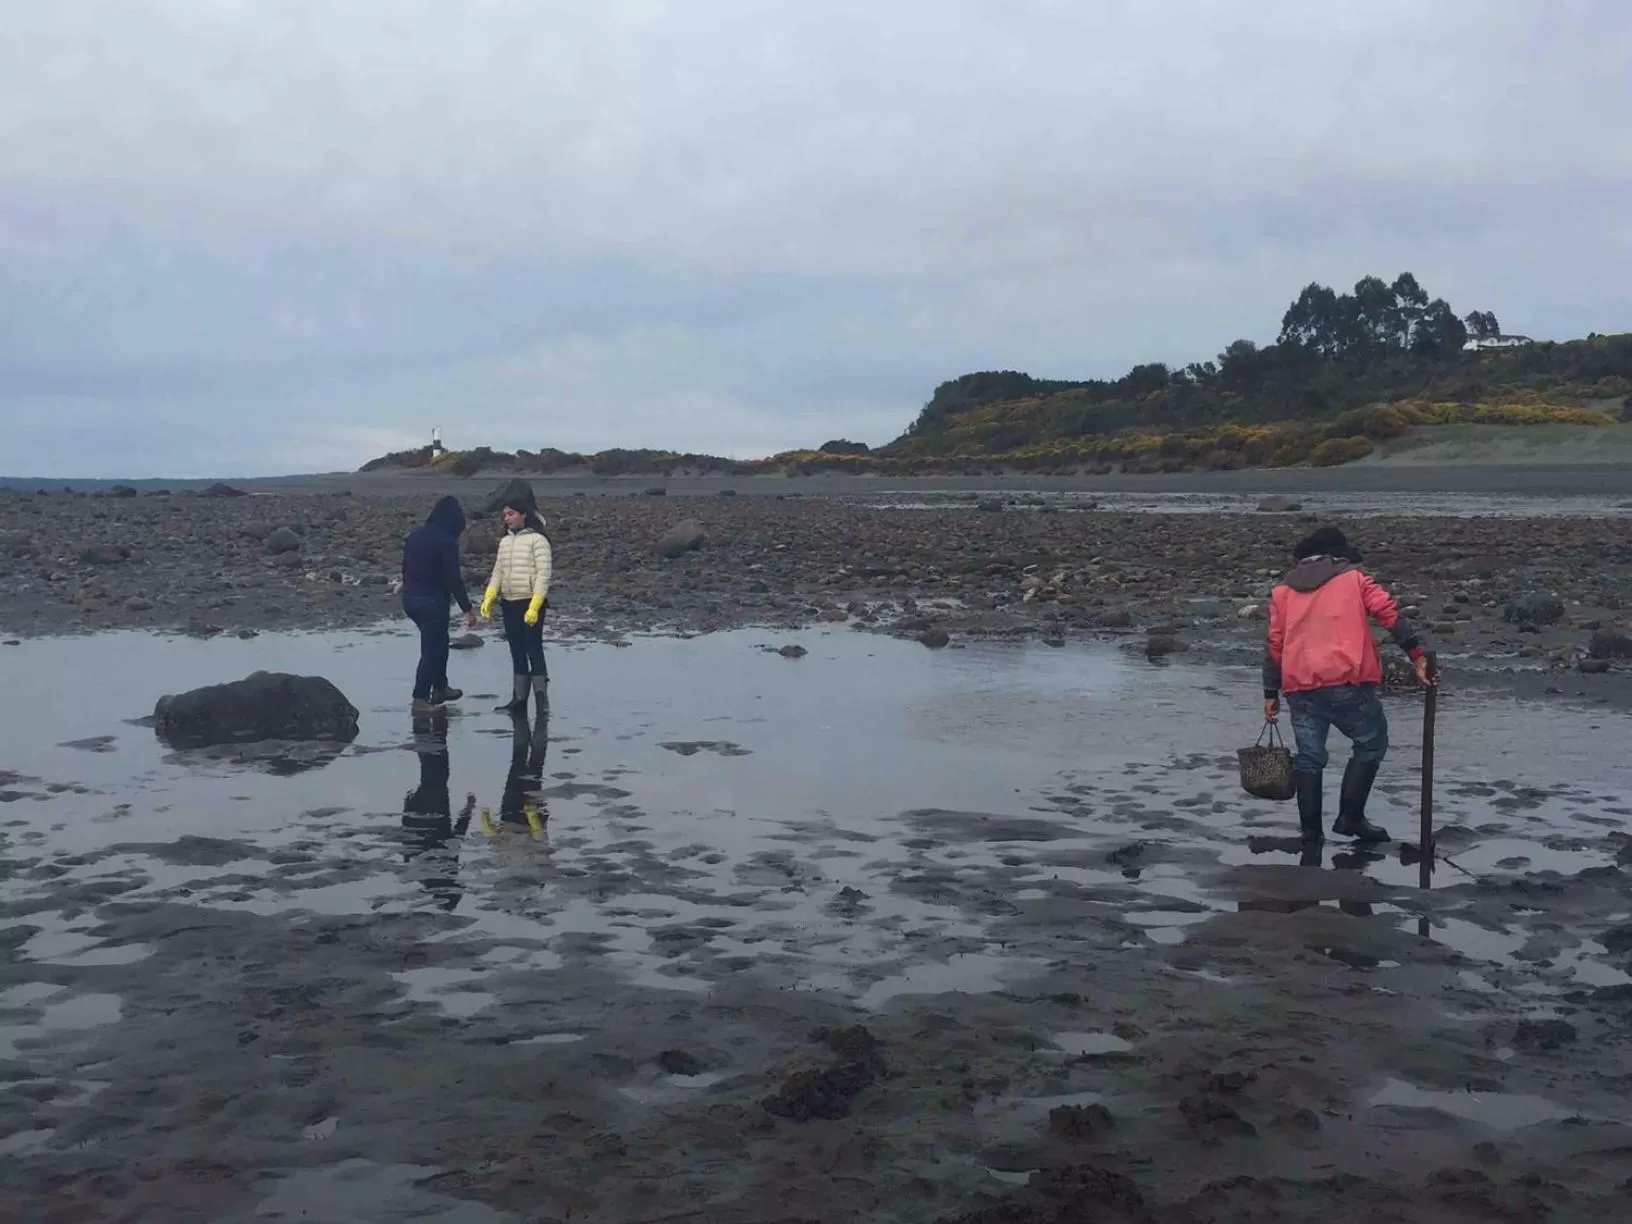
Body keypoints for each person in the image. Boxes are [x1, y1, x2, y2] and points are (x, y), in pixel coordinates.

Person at [1262, 526, 1434, 846]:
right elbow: (1389, 614)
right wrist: (1416, 655)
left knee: (1309, 757)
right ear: (1338, 557)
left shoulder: (1283, 592)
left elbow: (1275, 645)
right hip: (1344, 679)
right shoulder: (1355, 580)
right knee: (1371, 743)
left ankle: (1311, 834)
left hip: (1299, 685)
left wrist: (1270, 694)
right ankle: (1350, 816)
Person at [400, 496, 478, 715]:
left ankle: (441, 688)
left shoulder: (415, 536)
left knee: (440, 642)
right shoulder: (446, 541)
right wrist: (467, 609)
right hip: (432, 602)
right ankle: (420, 698)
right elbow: (453, 578)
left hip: (411, 600)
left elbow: (405, 568)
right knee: (432, 649)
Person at [480, 497, 552, 713]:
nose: (507, 518)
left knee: (534, 650)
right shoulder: (505, 542)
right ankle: (519, 700)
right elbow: (498, 572)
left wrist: (535, 605)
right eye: (505, 515)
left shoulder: (538, 540)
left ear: (523, 515)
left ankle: (541, 702)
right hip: (509, 603)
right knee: (516, 651)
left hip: (530, 602)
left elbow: (544, 574)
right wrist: (489, 596)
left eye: (511, 514)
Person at [401, 710, 476, 912]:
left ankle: (427, 724)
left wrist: (468, 809)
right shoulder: (424, 868)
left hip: (434, 806)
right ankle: (427, 724)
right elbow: (409, 837)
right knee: (432, 768)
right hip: (427, 807)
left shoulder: (440, 865)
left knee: (436, 768)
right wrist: (407, 807)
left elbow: (456, 837)